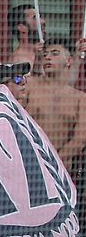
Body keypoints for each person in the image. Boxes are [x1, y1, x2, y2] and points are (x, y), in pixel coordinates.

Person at [22, 40, 86, 171]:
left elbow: (80, 139)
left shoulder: (80, 98)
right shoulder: (28, 85)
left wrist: (54, 161)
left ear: (68, 61)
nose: (48, 57)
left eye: (55, 53)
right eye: (45, 54)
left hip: (60, 171)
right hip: (27, 164)